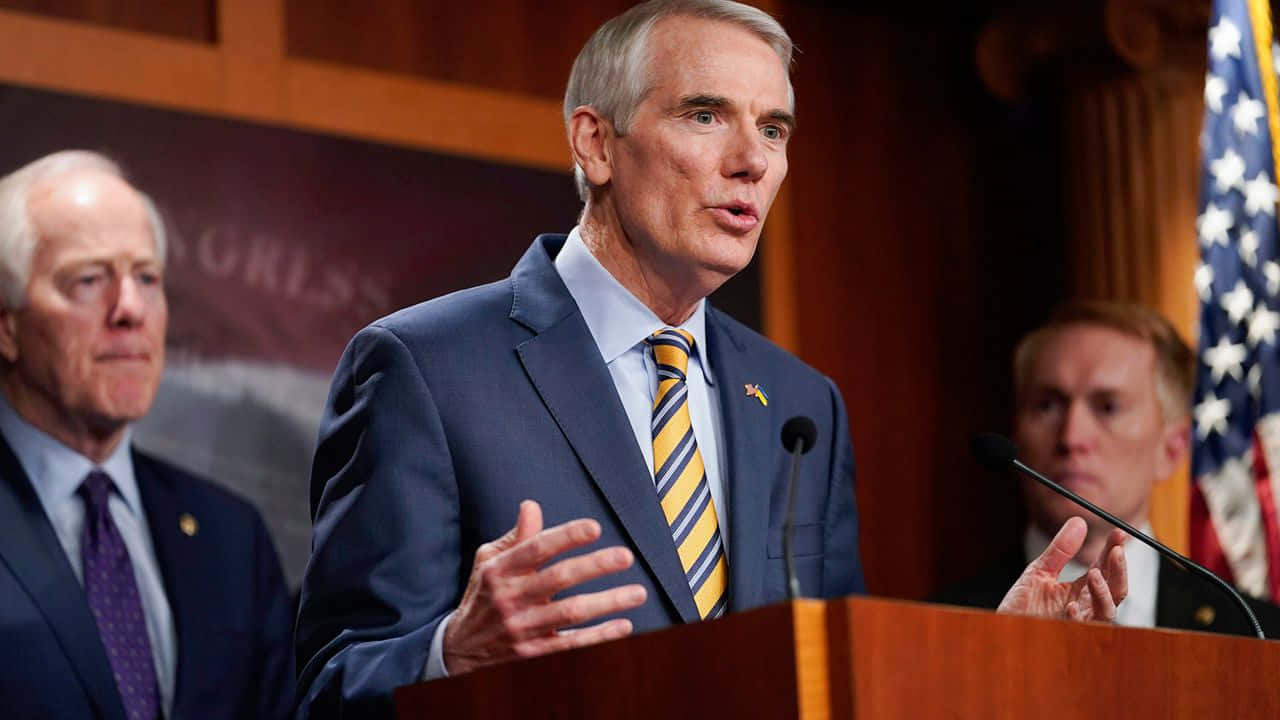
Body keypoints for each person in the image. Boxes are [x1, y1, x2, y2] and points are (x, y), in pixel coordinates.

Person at [294, 2, 1128, 716]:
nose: (753, 161)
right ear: (595, 144)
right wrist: (450, 654)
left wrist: (987, 661)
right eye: (705, 115)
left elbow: (827, 685)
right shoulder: (425, 368)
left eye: (773, 128)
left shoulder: (802, 403)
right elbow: (325, 688)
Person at [0, 150, 295, 718]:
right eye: (89, 280)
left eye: (147, 277)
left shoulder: (232, 539)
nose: (130, 309)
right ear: (6, 325)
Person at [937, 301, 1280, 636]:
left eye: (1108, 407)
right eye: (1046, 405)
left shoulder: (1254, 632)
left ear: (1171, 450)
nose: (1072, 437)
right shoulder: (939, 628)